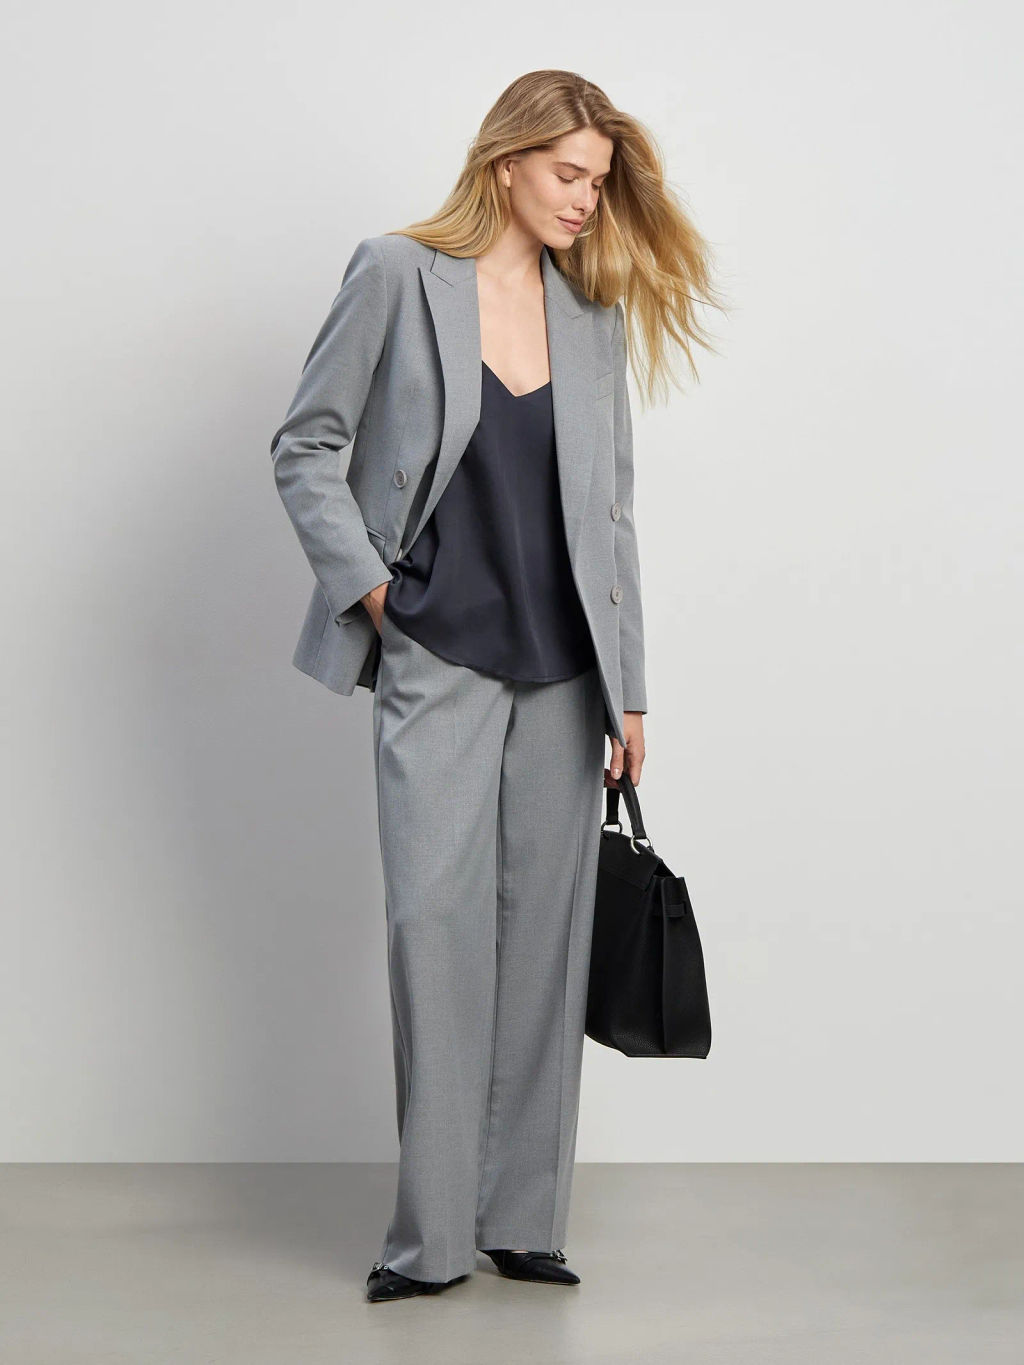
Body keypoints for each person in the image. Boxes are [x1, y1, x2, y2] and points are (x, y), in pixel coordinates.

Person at [270, 69, 722, 1303]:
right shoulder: (395, 274)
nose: (585, 200)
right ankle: (427, 1242)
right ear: (506, 160)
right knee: (435, 931)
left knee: (543, 944)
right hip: (439, 655)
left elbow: (611, 513)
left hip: (567, 675)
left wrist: (630, 690)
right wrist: (379, 597)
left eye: (599, 182)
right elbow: (306, 445)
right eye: (568, 173)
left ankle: (524, 1219)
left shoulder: (592, 313)